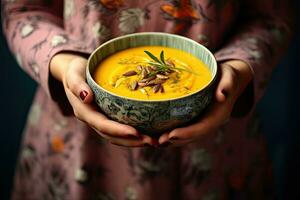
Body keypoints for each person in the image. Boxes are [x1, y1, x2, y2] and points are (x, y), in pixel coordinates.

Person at [2, 0, 295, 199]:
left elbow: (273, 16)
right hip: (79, 145)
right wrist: (65, 65)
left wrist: (238, 68)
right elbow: (22, 10)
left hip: (218, 143)